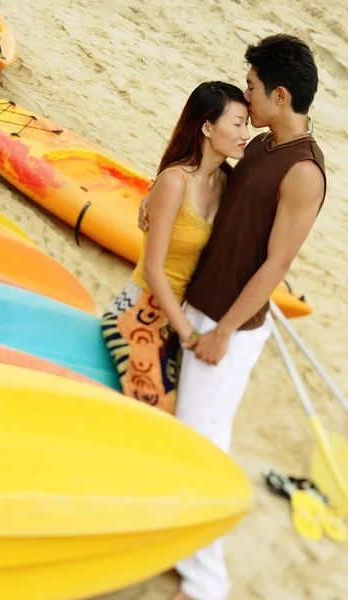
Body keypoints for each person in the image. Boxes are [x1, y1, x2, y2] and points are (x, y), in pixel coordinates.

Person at [139, 34, 326, 600]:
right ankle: (175, 548)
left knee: (204, 447)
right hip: (198, 303)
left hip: (229, 327)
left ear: (280, 93)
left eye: (251, 88)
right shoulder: (264, 143)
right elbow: (208, 172)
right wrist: (156, 191)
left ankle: (204, 584)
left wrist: (222, 331)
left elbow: (275, 266)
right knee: (183, 437)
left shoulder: (304, 172)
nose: (246, 98)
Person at [101, 81, 250, 413]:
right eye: (238, 123)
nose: (245, 133)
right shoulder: (174, 181)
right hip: (139, 311)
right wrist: (188, 336)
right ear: (207, 127)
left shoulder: (228, 183)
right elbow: (153, 270)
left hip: (181, 320)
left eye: (247, 124)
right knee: (159, 410)